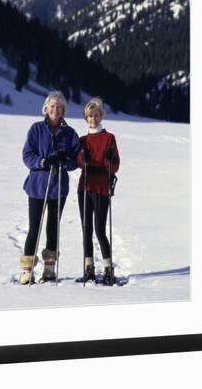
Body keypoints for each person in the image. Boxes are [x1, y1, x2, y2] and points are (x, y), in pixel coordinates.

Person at [19, 91, 80, 284]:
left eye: (59, 107)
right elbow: (27, 155)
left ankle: (49, 269)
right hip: (37, 186)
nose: (56, 109)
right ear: (46, 108)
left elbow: (76, 159)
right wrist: (43, 162)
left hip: (58, 188)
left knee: (53, 228)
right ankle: (27, 269)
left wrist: (66, 161)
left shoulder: (69, 133)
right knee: (34, 228)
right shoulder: (36, 129)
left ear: (63, 110)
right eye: (52, 106)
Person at [76, 97, 120, 285]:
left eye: (96, 115)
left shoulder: (109, 138)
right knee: (86, 229)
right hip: (85, 185)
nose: (93, 118)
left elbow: (115, 164)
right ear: (86, 118)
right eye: (89, 116)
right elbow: (78, 162)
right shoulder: (82, 140)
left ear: (101, 116)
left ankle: (108, 269)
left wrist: (109, 160)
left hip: (101, 185)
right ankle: (89, 269)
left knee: (100, 230)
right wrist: (82, 157)